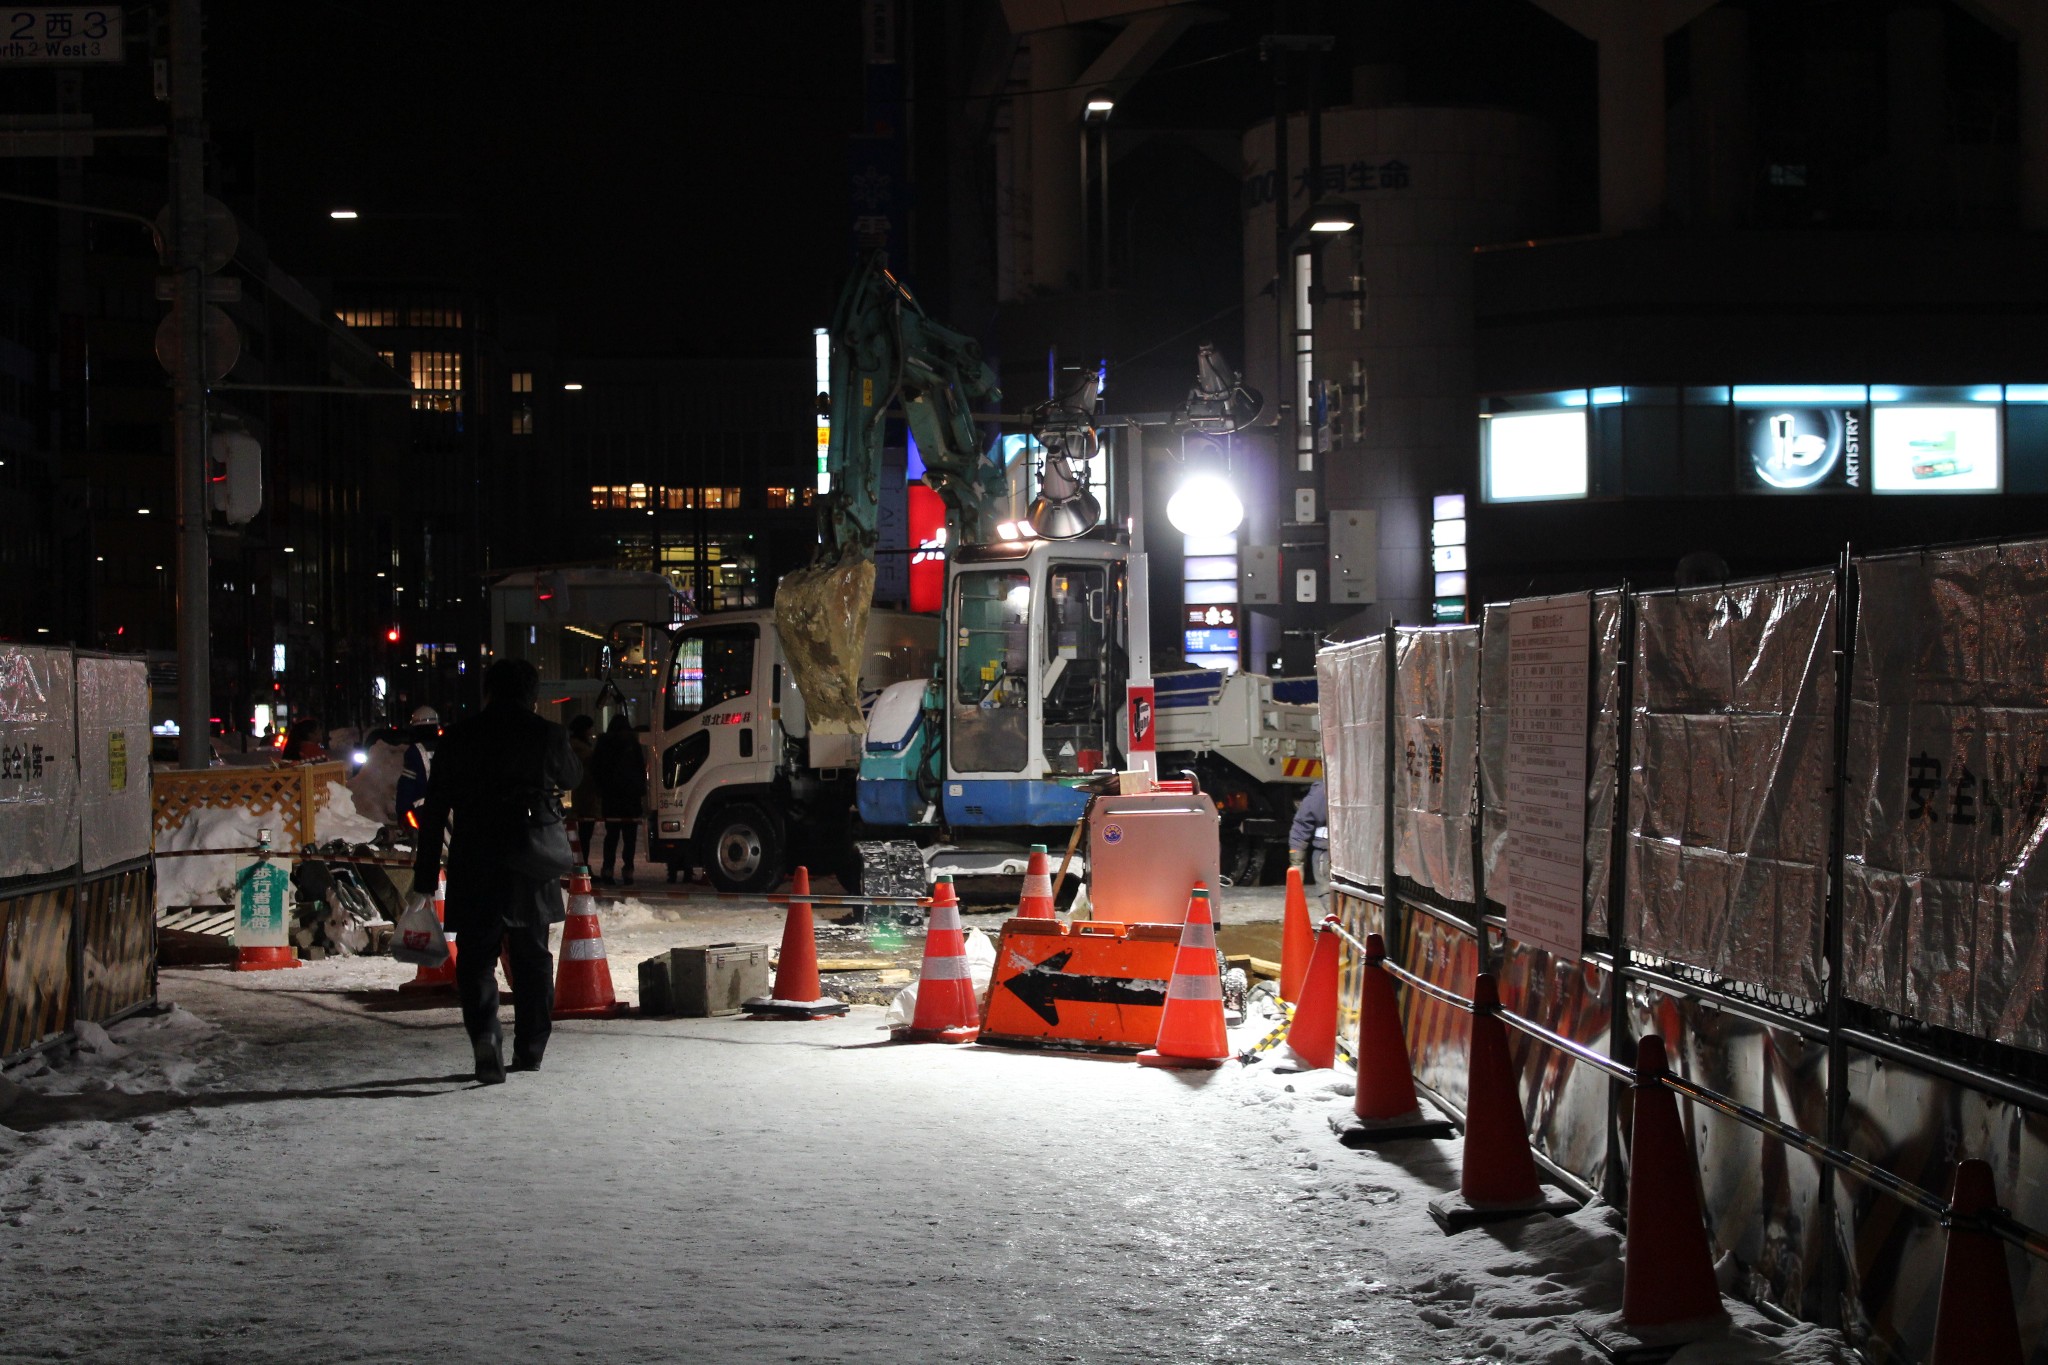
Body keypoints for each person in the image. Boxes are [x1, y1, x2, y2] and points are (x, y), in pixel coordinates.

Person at [412, 658, 580, 1085]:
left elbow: (434, 812)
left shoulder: (459, 738)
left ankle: (486, 1035)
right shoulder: (547, 735)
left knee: (476, 961)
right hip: (531, 861)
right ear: (532, 694)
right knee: (533, 958)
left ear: (488, 691)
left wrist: (426, 877)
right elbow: (572, 775)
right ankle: (531, 1048)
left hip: (476, 861)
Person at [591, 714, 647, 886]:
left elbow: (596, 768)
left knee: (611, 836)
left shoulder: (604, 744)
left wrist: (601, 790)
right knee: (629, 839)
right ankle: (628, 871)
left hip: (611, 798)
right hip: (630, 799)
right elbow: (640, 770)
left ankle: (607, 870)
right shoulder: (632, 744)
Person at [393, 705, 442, 830]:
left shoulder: (414, 751)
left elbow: (406, 786)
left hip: (423, 813)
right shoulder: (448, 747)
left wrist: (402, 813)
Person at [567, 715, 601, 863]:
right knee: (584, 835)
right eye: (589, 728)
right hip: (585, 794)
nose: (591, 731)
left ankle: (582, 864)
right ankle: (582, 865)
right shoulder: (579, 747)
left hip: (584, 793)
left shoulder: (576, 745)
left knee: (584, 834)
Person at [1288, 779, 1327, 880]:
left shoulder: (1324, 790)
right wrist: (1297, 862)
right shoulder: (1325, 790)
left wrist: (1297, 863)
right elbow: (1302, 824)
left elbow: (1302, 824)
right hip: (1330, 858)